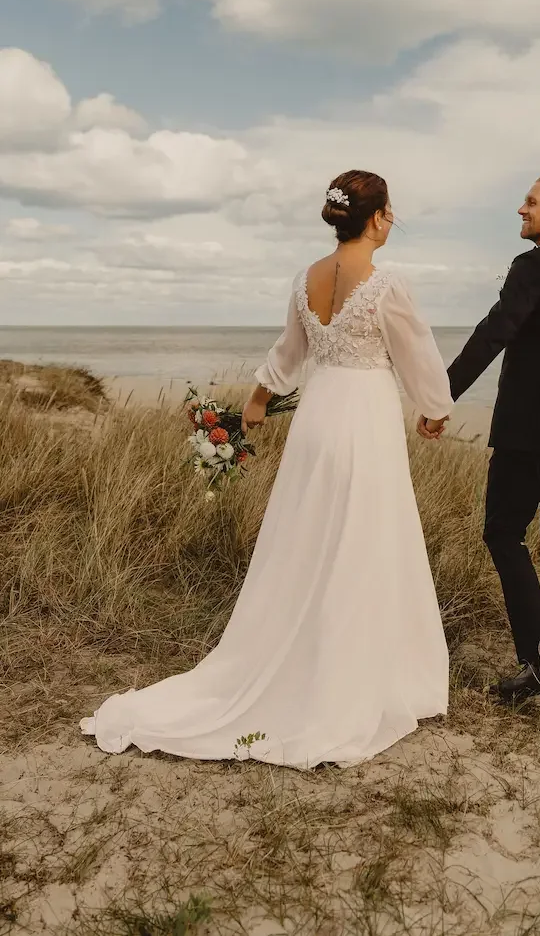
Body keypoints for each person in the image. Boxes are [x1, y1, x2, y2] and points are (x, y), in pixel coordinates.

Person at [81, 170, 453, 768]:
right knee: (364, 538)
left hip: (318, 418)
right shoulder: (388, 283)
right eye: (390, 212)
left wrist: (258, 398)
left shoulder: (307, 278)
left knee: (306, 539)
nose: (391, 220)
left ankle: (302, 654)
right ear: (379, 217)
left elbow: (289, 352)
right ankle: (353, 675)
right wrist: (434, 409)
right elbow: (417, 350)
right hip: (364, 420)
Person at [418, 174, 540, 703]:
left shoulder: (532, 266)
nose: (521, 209)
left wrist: (442, 398)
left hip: (529, 433)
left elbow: (494, 331)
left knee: (503, 533)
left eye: (531, 202)